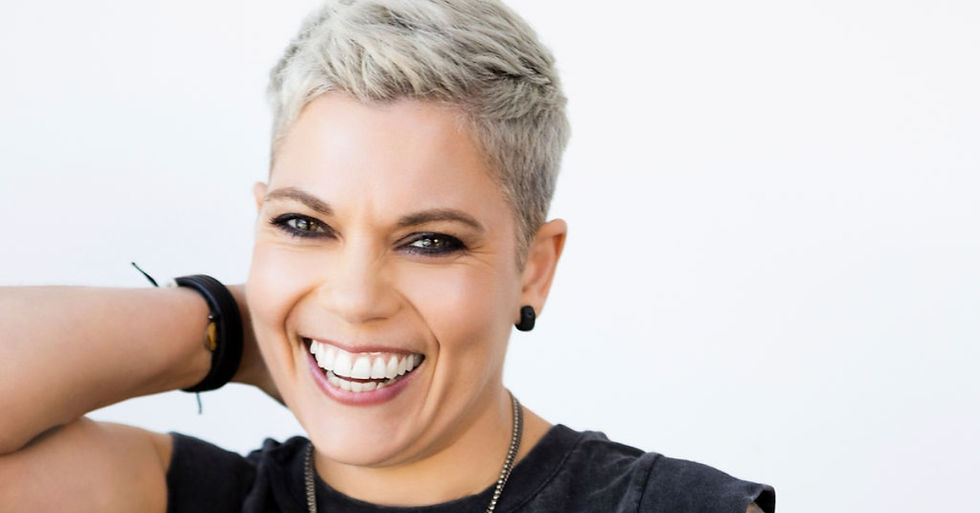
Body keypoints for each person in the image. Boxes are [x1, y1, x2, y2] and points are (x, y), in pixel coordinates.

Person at [0, 0, 774, 511]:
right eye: (305, 226)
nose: (356, 295)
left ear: (534, 266)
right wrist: (233, 327)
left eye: (429, 241)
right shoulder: (185, 497)